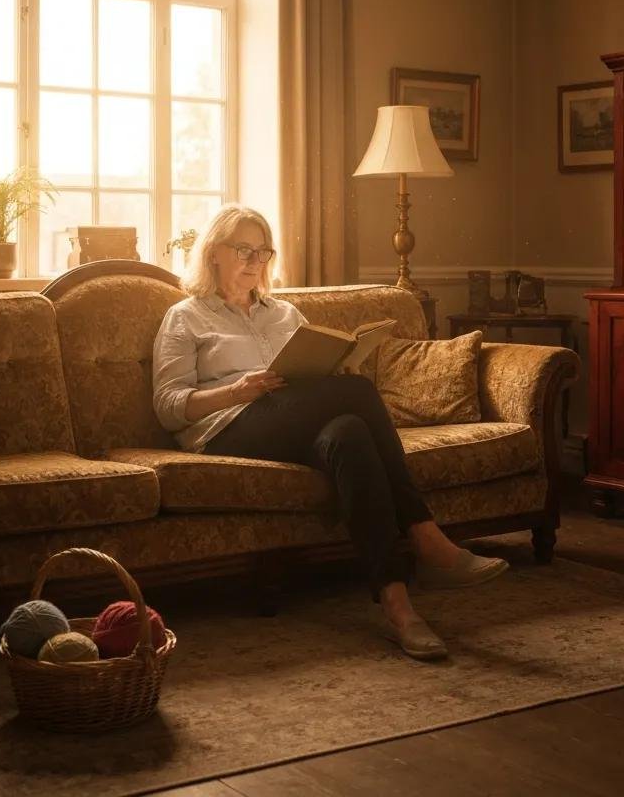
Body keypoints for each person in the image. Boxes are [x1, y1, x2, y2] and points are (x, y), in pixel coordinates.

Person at [152, 203, 508, 660]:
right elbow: (168, 408)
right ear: (213, 252)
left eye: (263, 252)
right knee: (358, 394)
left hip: (291, 422)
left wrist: (337, 368)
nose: (253, 262)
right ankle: (426, 537)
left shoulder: (284, 314)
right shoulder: (186, 316)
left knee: (349, 434)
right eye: (242, 250)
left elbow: (309, 377)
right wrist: (235, 392)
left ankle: (401, 610)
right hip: (227, 428)